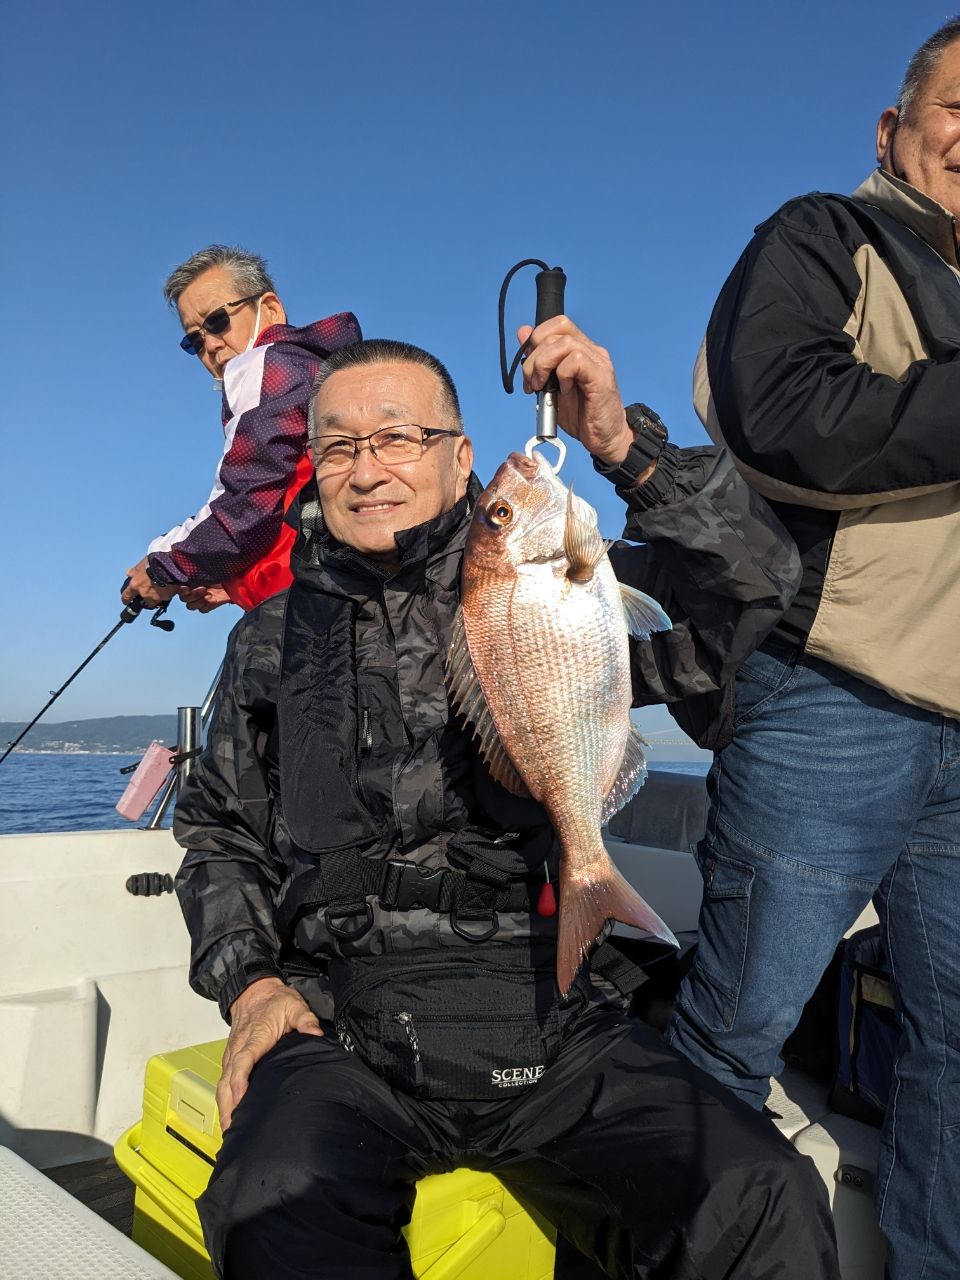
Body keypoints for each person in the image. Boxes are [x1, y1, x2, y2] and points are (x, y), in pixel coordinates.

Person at [173, 325, 839, 1279]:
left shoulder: (548, 577)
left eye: (398, 437)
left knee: (758, 1194)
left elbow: (758, 588)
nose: (367, 470)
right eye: (338, 447)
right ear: (312, 468)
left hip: (553, 1002)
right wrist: (253, 983)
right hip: (342, 1020)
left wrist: (624, 448)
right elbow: (219, 831)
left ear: (461, 457)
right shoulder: (269, 639)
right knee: (269, 1205)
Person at [666, 19, 960, 1279]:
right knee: (731, 1030)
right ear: (894, 129)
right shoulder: (821, 236)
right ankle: (672, 1253)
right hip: (830, 701)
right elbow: (780, 415)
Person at [121, 245, 361, 613]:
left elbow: (246, 505)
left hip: (311, 614)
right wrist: (234, 583)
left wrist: (163, 567)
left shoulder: (262, 363)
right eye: (194, 340)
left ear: (269, 309)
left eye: (217, 321)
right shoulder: (310, 371)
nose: (211, 346)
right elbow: (290, 503)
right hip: (327, 599)